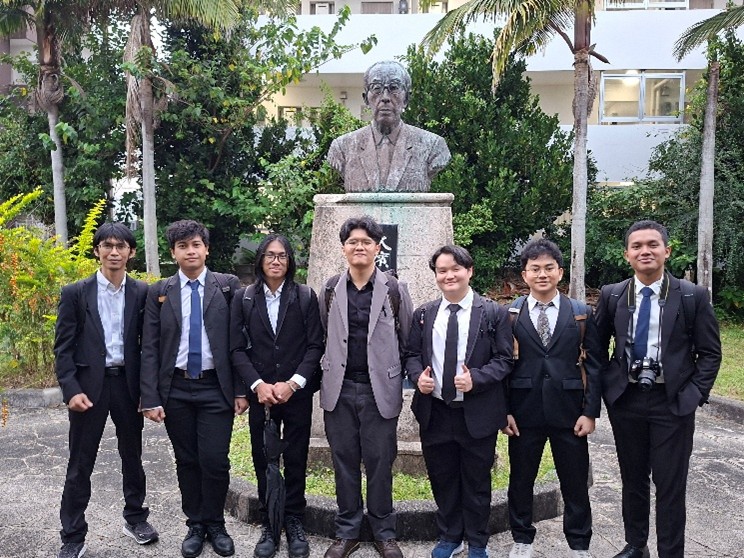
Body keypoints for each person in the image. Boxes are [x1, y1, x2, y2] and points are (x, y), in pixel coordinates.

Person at [594, 220, 722, 558]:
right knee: (632, 479)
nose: (645, 251)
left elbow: (710, 353)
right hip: (626, 401)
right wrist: (609, 387)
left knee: (670, 485)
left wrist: (694, 395)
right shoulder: (613, 295)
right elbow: (595, 348)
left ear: (667, 251)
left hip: (673, 403)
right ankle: (636, 545)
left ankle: (671, 552)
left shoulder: (692, 295)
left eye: (653, 245)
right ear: (627, 254)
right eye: (636, 246)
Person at [140, 220, 246, 558]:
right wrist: (150, 397)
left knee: (215, 460)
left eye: (196, 244)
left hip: (216, 387)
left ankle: (216, 524)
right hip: (177, 388)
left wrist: (240, 390)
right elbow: (150, 347)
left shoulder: (227, 286)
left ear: (206, 249)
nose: (190, 251)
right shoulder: (160, 291)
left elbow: (239, 342)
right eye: (183, 246)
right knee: (187, 460)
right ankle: (195, 524)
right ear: (173, 252)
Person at [54, 222, 158, 558]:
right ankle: (72, 535)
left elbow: (149, 347)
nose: (114, 252)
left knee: (133, 456)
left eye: (121, 246)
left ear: (131, 252)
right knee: (80, 461)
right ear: (97, 250)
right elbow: (63, 348)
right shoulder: (76, 293)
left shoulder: (141, 292)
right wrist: (71, 389)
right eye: (107, 246)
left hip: (127, 385)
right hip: (88, 389)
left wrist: (148, 392)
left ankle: (136, 518)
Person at [405, 245, 513, 558]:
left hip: (477, 412)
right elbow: (411, 355)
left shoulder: (493, 312)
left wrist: (476, 378)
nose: (449, 275)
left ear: (469, 271)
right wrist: (418, 378)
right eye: (442, 270)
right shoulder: (424, 314)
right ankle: (450, 536)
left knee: (477, 480)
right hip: (436, 411)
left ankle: (477, 541)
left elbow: (505, 359)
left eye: (456, 268)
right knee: (443, 477)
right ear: (436, 275)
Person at [319, 216, 413, 558]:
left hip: (379, 392)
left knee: (380, 463)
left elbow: (408, 341)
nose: (359, 247)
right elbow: (324, 335)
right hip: (340, 389)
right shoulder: (330, 289)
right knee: (343, 462)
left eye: (366, 242)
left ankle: (383, 532)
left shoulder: (395, 290)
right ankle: (348, 532)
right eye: (352, 242)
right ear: (343, 248)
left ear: (377, 247)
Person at [503, 239, 602, 558]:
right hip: (523, 412)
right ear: (525, 275)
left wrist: (590, 411)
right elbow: (503, 366)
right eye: (535, 269)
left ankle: (579, 543)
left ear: (560, 272)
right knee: (521, 480)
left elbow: (595, 364)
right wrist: (504, 411)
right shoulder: (511, 314)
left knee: (575, 482)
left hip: (570, 412)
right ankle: (522, 539)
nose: (542, 274)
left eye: (549, 268)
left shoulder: (581, 313)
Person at [229, 234, 324, 558]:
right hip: (262, 396)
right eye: (270, 255)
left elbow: (315, 345)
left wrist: (293, 383)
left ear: (290, 261)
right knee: (263, 458)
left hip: (295, 394)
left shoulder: (305, 297)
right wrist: (258, 385)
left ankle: (294, 520)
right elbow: (236, 349)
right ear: (260, 259)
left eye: (282, 255)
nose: (276, 261)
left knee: (296, 458)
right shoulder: (244, 298)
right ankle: (269, 523)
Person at [327, 60, 450, 193]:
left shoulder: (433, 146)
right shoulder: (342, 147)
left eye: (394, 88)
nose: (385, 97)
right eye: (376, 88)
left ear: (406, 98)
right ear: (366, 99)